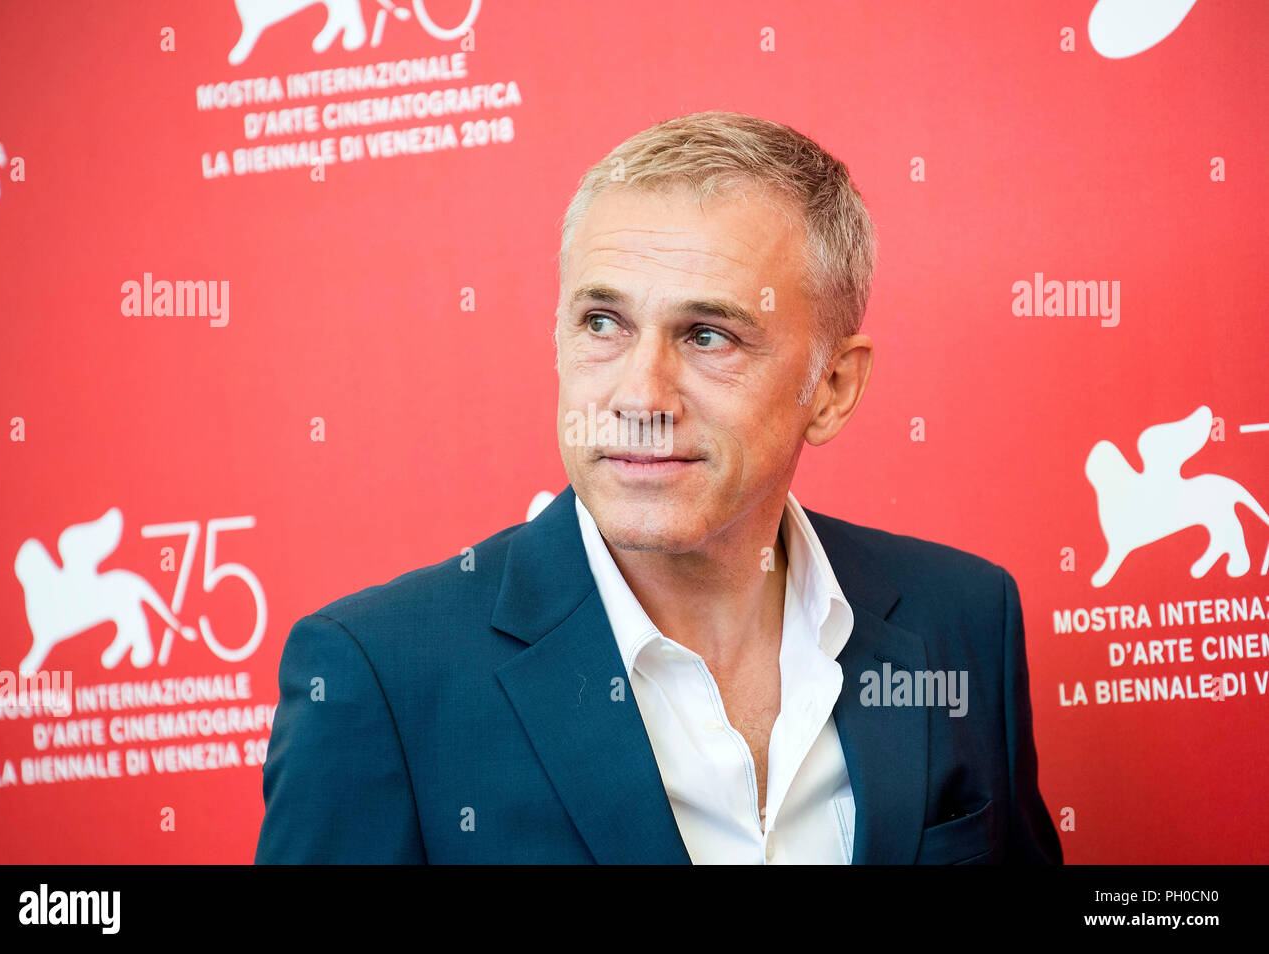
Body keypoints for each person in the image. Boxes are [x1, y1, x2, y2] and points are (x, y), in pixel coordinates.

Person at [254, 110, 1063, 864]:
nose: (640, 398)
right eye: (602, 323)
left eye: (709, 336)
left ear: (832, 389)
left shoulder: (962, 616)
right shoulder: (379, 679)